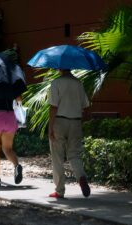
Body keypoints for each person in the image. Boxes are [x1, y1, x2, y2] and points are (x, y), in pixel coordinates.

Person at [48, 69, 91, 198]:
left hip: (60, 121)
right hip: (76, 121)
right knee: (74, 154)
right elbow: (86, 105)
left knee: (57, 157)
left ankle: (59, 190)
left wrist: (50, 127)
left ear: (60, 68)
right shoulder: (78, 83)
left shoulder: (56, 82)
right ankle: (81, 177)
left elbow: (53, 107)